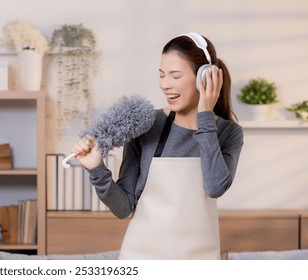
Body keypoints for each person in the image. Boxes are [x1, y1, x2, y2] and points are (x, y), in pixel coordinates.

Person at [71, 32, 244, 259]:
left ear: (204, 77)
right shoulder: (147, 125)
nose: (165, 85)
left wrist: (204, 116)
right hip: (143, 257)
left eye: (175, 76)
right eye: (162, 75)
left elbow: (215, 187)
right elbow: (124, 207)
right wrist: (96, 169)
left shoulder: (227, 133)